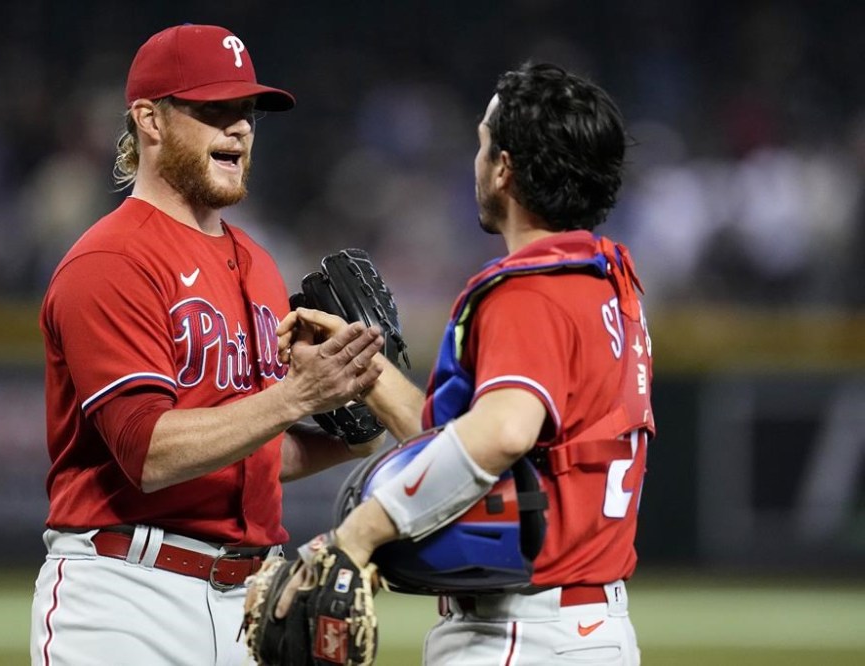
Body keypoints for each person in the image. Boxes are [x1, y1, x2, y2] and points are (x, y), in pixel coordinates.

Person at [29, 24, 388, 666]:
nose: (240, 128)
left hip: (252, 598)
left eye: (246, 112)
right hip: (126, 595)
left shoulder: (259, 266)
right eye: (213, 110)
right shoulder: (111, 260)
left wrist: (356, 434)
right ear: (150, 120)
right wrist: (299, 394)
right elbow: (148, 452)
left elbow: (249, 455)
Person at [278, 61, 654, 665]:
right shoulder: (604, 285)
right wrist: (363, 371)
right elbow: (468, 452)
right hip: (588, 626)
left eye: (482, 144)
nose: (475, 161)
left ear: (503, 169)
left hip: (521, 630)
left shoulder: (530, 291)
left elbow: (502, 432)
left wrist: (358, 535)